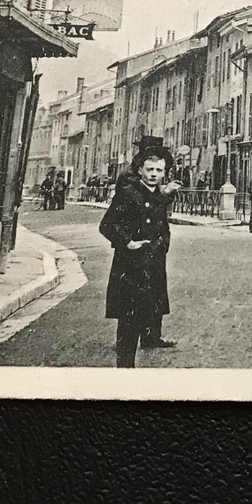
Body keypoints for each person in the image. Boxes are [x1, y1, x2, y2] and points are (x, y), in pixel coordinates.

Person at [99, 146, 178, 367]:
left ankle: (149, 342)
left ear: (164, 173)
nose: (154, 174)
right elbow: (107, 225)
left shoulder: (159, 197)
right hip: (130, 268)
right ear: (140, 170)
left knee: (150, 315)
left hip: (153, 267)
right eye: (150, 169)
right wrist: (128, 242)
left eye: (159, 170)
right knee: (128, 323)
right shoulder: (128, 193)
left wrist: (163, 244)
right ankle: (125, 373)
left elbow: (163, 228)